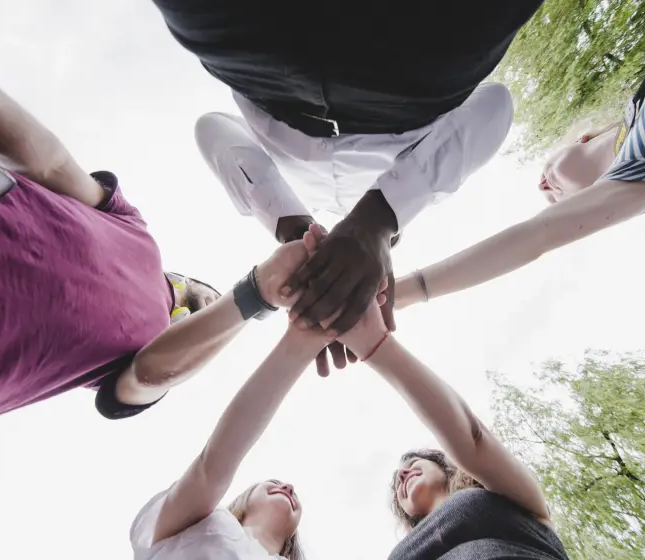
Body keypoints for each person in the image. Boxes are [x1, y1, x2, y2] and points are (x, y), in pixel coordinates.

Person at [151, 0, 544, 369]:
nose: (344, 271)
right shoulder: (432, 177)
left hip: (258, 64)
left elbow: (212, 130)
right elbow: (495, 105)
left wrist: (297, 237)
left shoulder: (296, 195)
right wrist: (377, 221)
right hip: (415, 72)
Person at [0, 21, 220, 448]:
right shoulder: (135, 231)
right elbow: (52, 167)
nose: (212, 311)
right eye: (208, 297)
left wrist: (251, 301)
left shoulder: (157, 354)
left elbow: (152, 374)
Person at [392, 0, 645, 311]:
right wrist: (401, 294)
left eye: (547, 184)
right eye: (555, 201)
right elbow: (536, 237)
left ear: (582, 137)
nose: (545, 187)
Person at [297, 223, 567, 559]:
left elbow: (473, 440)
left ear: (449, 467)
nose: (402, 474)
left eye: (414, 462)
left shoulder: (518, 504)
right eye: (399, 481)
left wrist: (375, 344)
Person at [129, 238, 391, 560]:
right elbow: (214, 465)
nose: (288, 488)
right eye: (273, 482)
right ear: (239, 500)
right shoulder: (204, 524)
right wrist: (302, 342)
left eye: (280, 484)